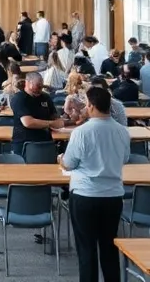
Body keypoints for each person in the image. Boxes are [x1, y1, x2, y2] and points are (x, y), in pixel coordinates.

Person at [61, 86, 131, 282]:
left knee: (86, 249)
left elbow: (69, 163)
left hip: (85, 195)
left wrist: (60, 159)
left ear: (91, 106)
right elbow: (125, 158)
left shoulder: (81, 132)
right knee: (109, 247)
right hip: (113, 196)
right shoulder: (123, 132)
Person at [10, 72, 64, 150]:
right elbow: (28, 122)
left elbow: (54, 116)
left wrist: (63, 118)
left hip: (46, 141)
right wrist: (51, 123)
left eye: (41, 86)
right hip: (25, 143)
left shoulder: (45, 97)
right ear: (27, 83)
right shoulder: (19, 98)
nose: (39, 89)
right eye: (37, 86)